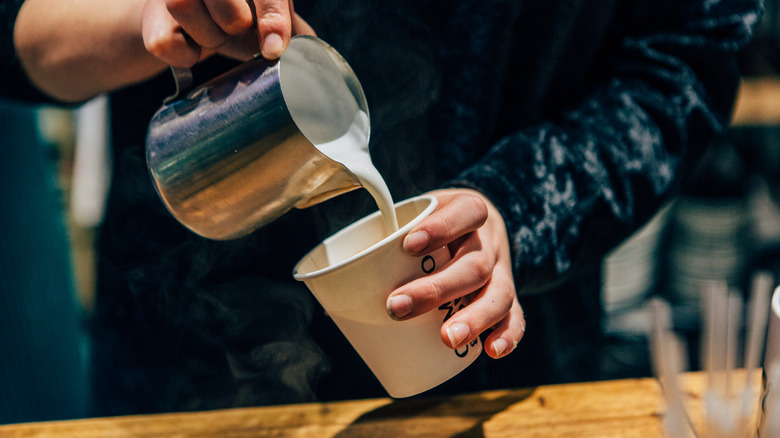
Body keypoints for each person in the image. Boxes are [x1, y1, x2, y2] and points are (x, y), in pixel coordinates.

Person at [1, 0, 761, 416]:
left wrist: (520, 205)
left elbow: (689, 55)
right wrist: (143, 19)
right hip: (188, 368)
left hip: (506, 376)